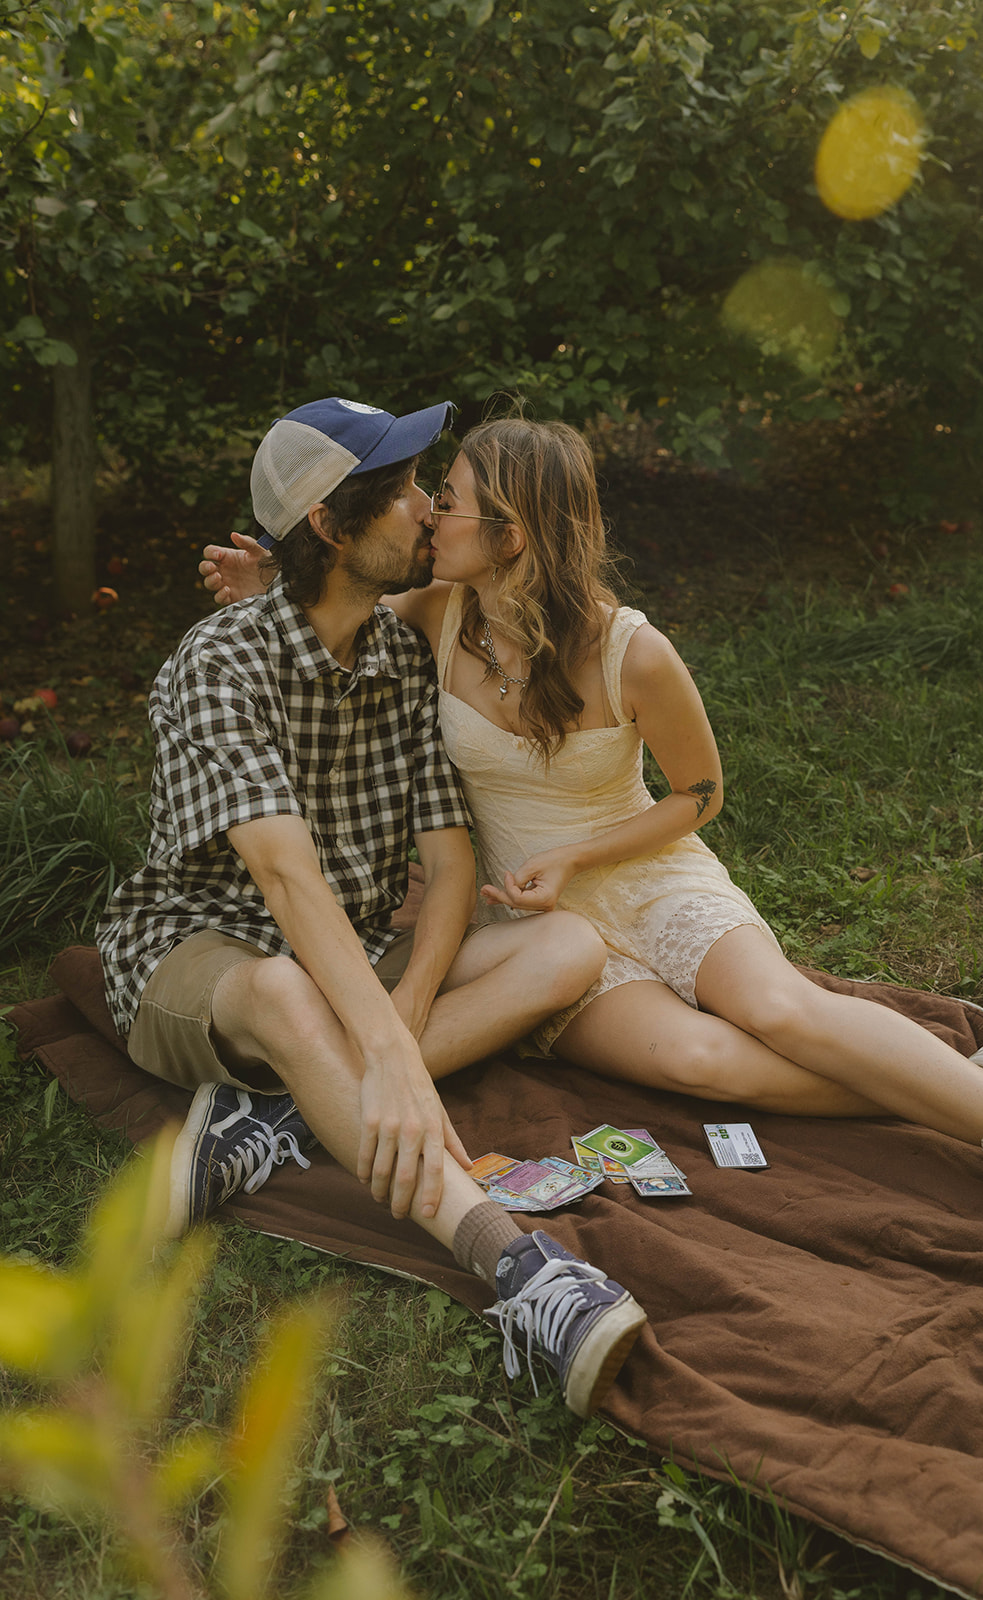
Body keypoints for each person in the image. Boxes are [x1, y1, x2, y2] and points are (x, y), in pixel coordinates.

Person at [200, 411, 983, 1227]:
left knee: (778, 1008)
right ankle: (980, 1083)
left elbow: (700, 794)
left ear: (509, 536)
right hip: (532, 927)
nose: (428, 514)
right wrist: (265, 582)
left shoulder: (631, 651)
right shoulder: (432, 616)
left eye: (449, 501)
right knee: (699, 1061)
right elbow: (333, 604)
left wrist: (578, 857)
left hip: (648, 876)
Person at [97, 397, 648, 1420]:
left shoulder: (397, 656)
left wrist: (402, 1020)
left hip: (349, 948)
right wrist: (387, 1056)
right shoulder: (217, 663)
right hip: (200, 951)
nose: (427, 506)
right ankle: (521, 1268)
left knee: (568, 945)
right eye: (401, 491)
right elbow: (285, 881)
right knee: (283, 991)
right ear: (329, 526)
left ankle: (290, 1111)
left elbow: (448, 866)